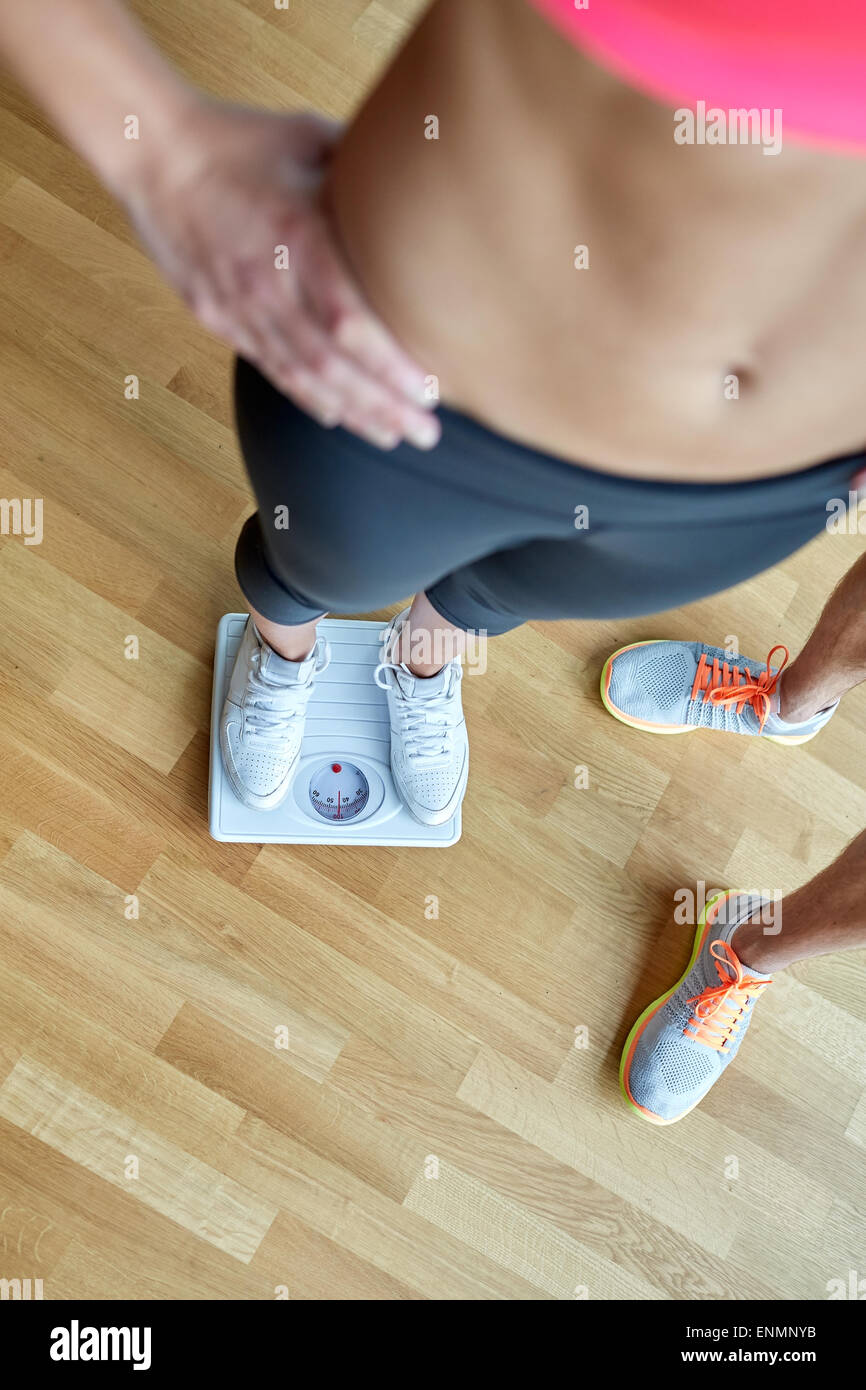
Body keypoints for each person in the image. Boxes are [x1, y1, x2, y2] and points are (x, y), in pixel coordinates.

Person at [3, 0, 864, 1120]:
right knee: (310, 569)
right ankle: (285, 657)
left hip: (751, 488)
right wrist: (154, 146)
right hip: (408, 378)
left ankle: (419, 668)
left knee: (483, 599)